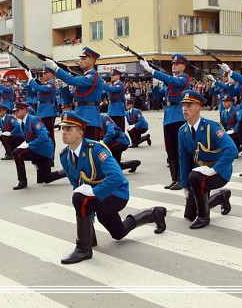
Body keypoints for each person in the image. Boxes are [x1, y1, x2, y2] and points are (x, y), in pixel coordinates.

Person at [58, 111, 166, 265]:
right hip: (97, 198)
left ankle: (83, 248)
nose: (64, 132)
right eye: (63, 128)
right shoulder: (65, 156)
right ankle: (154, 213)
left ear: (80, 133)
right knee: (119, 233)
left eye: (69, 129)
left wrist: (94, 192)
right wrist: (90, 218)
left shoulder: (96, 149)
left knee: (78, 198)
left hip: (116, 194)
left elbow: (117, 178)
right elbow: (78, 185)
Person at [178, 90, 237, 229]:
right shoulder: (183, 130)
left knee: (195, 178)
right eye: (183, 105)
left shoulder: (212, 127)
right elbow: (184, 159)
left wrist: (213, 170)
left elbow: (231, 150)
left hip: (218, 172)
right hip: (199, 174)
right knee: (189, 214)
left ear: (198, 108)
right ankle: (221, 197)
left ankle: (204, 217)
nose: (185, 108)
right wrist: (185, 185)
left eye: (189, 105)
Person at [140, 55, 190, 189]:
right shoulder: (170, 84)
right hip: (169, 117)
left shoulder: (183, 78)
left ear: (183, 66)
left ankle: (182, 179)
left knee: (180, 149)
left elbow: (172, 80)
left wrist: (152, 71)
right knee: (171, 150)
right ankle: (174, 178)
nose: (174, 65)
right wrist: (155, 85)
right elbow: (157, 96)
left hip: (179, 116)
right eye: (173, 64)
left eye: (177, 64)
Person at [44, 47, 104, 141]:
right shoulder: (84, 78)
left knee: (91, 150)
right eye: (80, 59)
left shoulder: (92, 76)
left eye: (84, 59)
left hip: (90, 117)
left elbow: (72, 80)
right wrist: (64, 87)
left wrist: (56, 68)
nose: (80, 61)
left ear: (92, 61)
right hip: (78, 115)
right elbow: (69, 100)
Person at [10, 102, 54, 190]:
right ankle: (67, 172)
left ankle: (22, 181)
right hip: (37, 149)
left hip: (43, 149)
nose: (15, 113)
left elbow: (44, 136)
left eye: (18, 111)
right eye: (15, 111)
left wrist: (29, 145)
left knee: (17, 153)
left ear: (25, 110)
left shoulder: (34, 120)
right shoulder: (23, 123)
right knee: (47, 178)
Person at [26, 67, 58, 150]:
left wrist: (31, 79)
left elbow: (37, 88)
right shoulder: (45, 85)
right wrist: (29, 82)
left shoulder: (51, 85)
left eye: (45, 73)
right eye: (43, 73)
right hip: (41, 112)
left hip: (48, 112)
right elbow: (32, 92)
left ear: (51, 74)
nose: (43, 75)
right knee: (41, 133)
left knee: (49, 135)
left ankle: (51, 156)